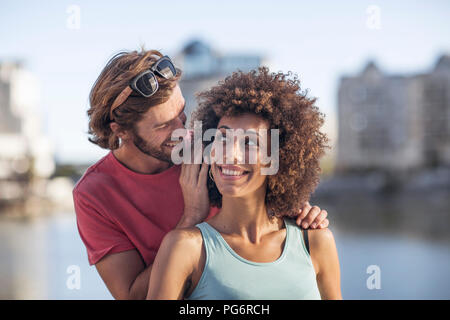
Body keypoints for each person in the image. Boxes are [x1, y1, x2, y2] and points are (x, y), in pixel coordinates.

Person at [72, 49, 330, 300]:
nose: (183, 133)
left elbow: (262, 181)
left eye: (181, 115)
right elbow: (131, 297)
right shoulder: (94, 194)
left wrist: (291, 206)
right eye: (163, 126)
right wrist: (191, 218)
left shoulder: (210, 146)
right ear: (122, 132)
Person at [147, 67, 341, 299]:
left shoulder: (316, 242)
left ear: (279, 158)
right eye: (223, 138)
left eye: (249, 142)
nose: (231, 154)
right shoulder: (184, 248)